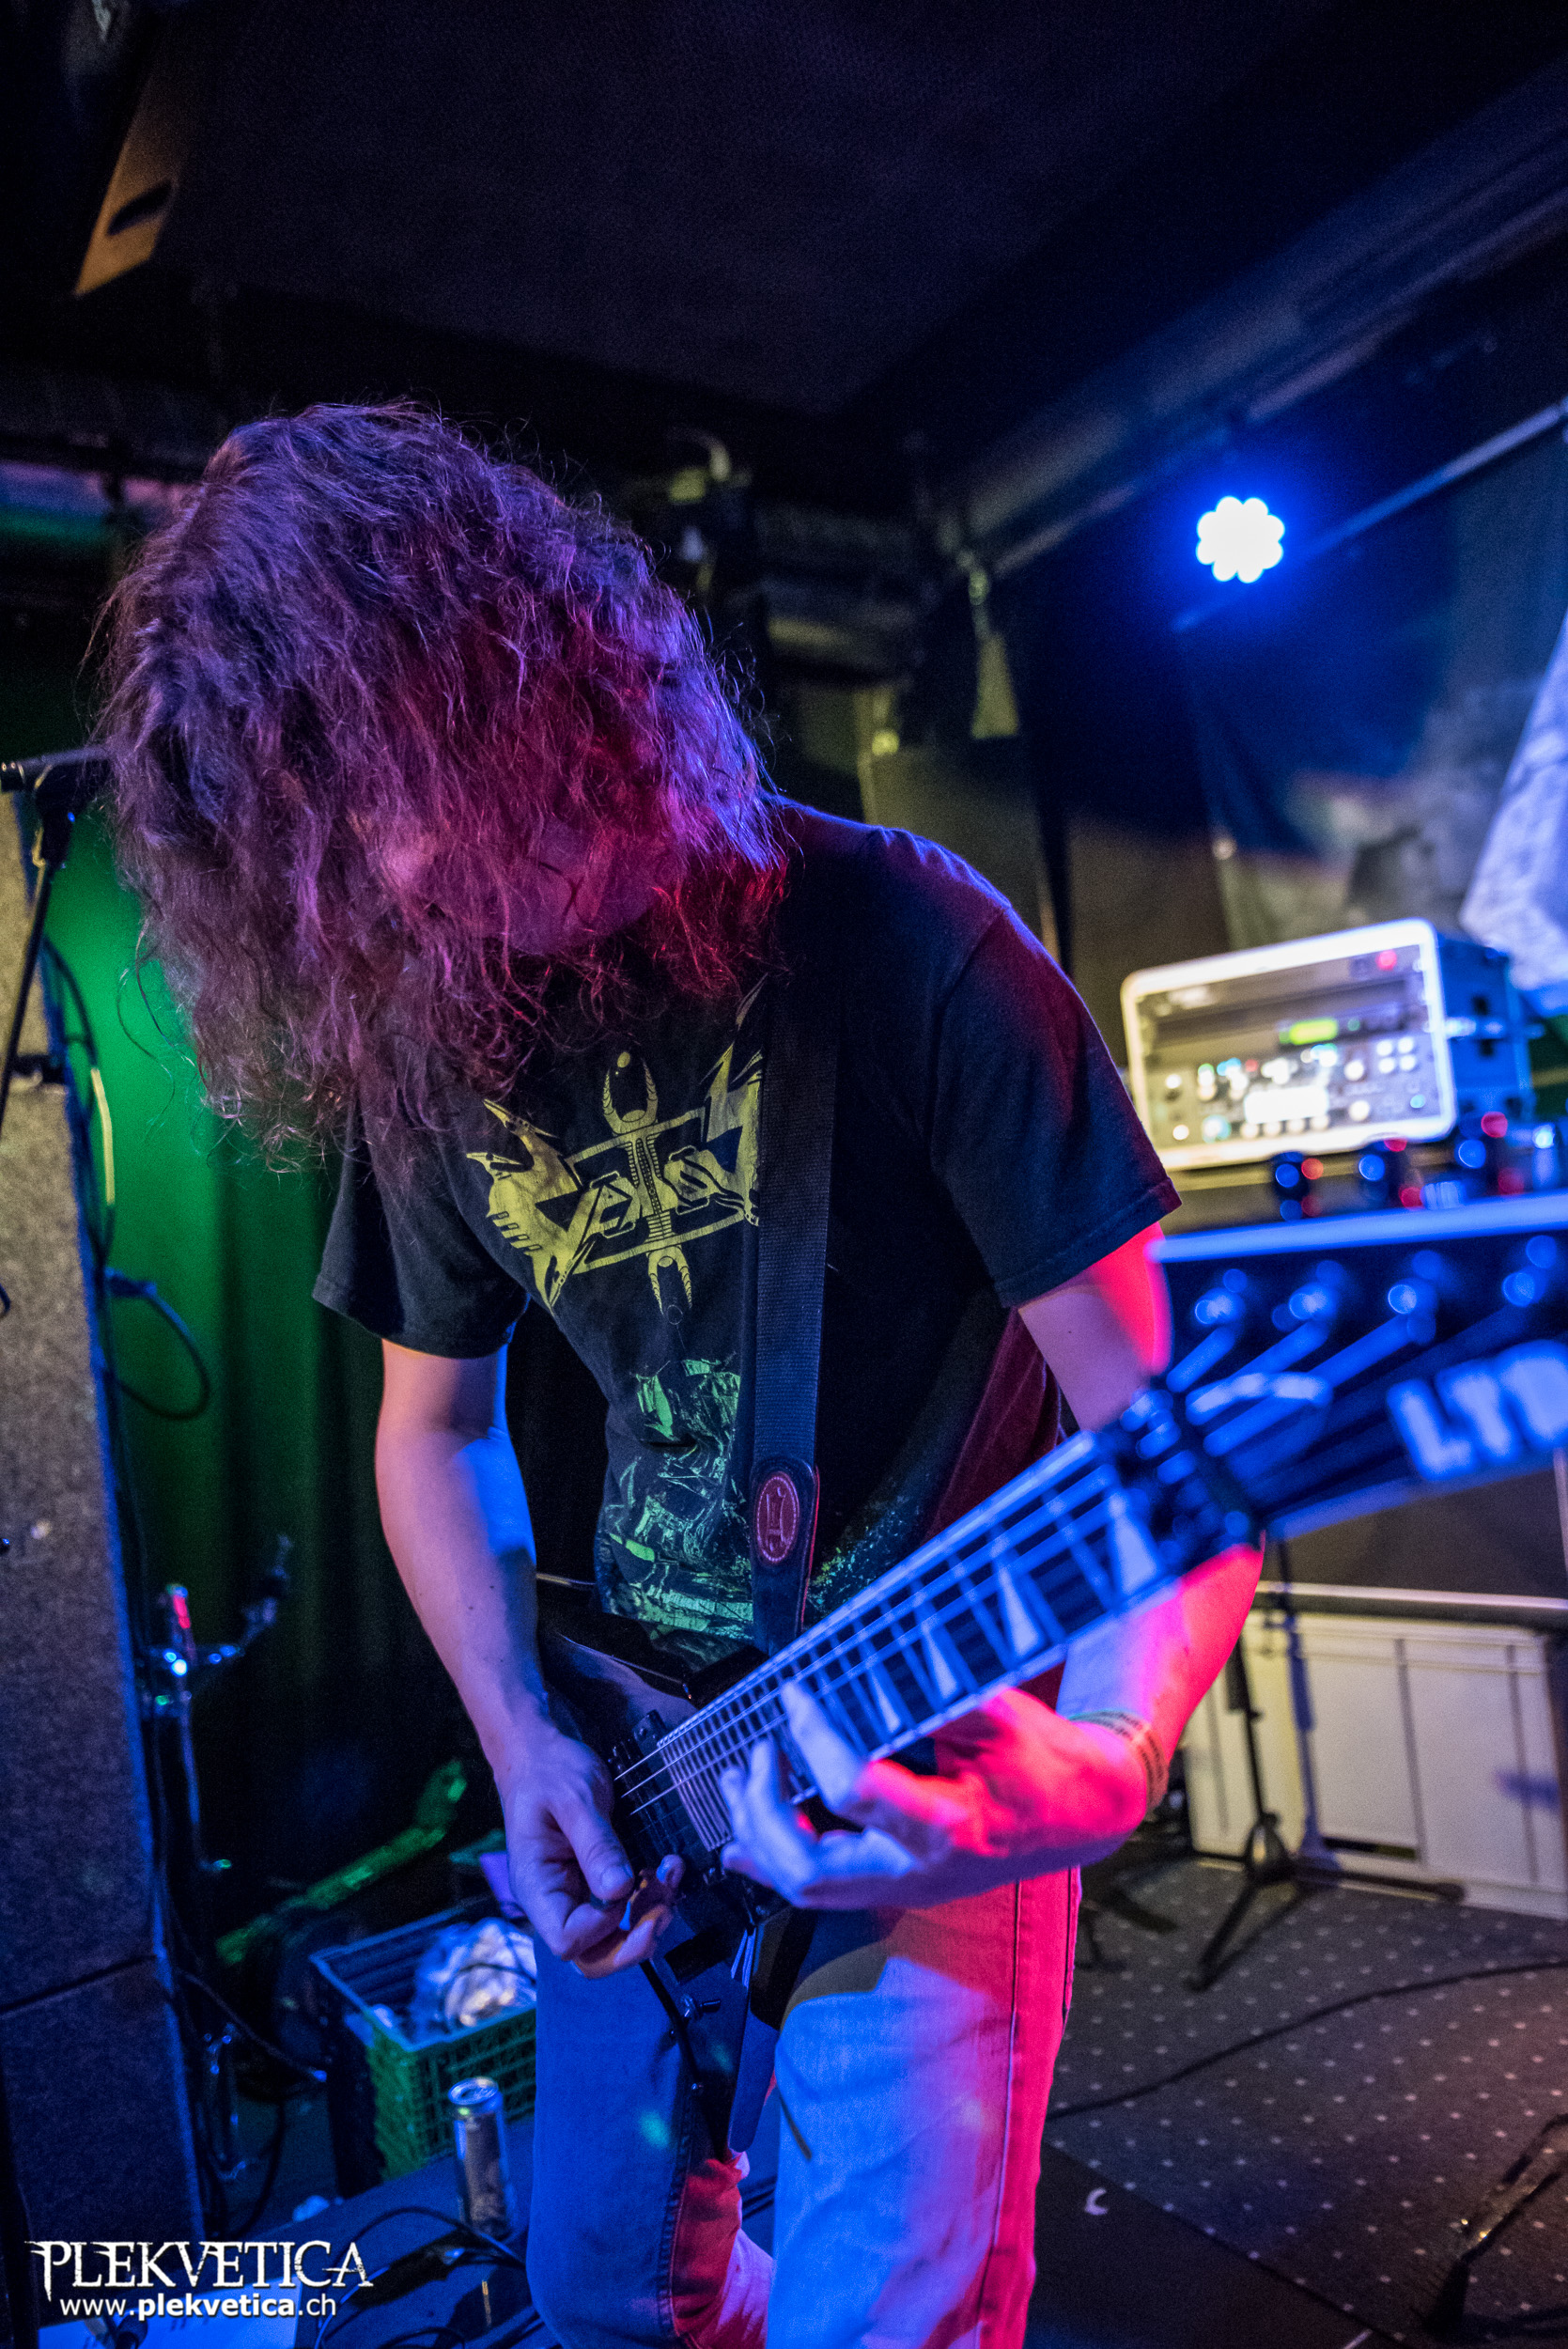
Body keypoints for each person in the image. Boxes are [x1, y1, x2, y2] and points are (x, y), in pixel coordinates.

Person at [103, 403, 1261, 2349]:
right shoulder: (440, 1043)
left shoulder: (910, 947)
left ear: (551, 676)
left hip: (919, 1740)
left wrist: (1102, 1761)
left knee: (883, 2317)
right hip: (632, 1763)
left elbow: (1175, 1451)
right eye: (364, 856)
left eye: (439, 790)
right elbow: (431, 1433)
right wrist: (522, 1740)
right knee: (602, 2297)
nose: (423, 871)